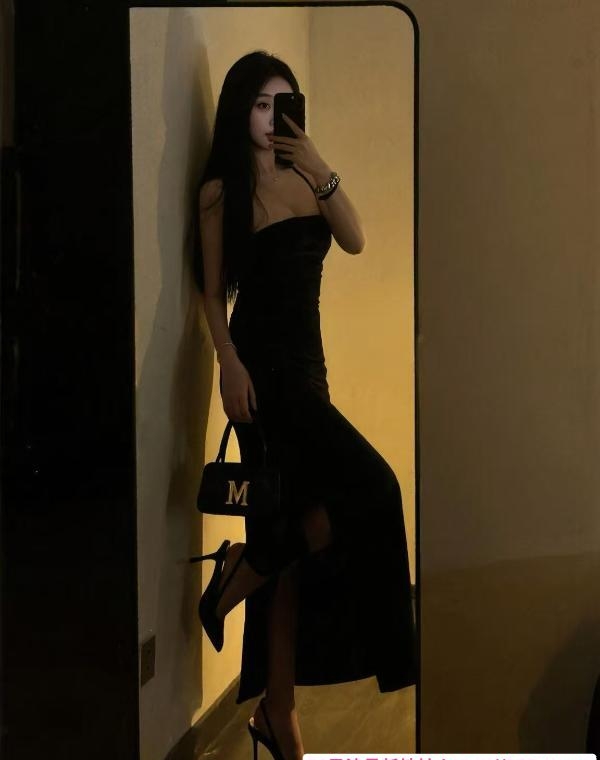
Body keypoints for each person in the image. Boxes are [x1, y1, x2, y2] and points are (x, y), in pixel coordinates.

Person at [189, 50, 417, 760]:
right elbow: (212, 292)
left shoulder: (308, 178)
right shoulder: (222, 192)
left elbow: (355, 239)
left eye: (283, 104)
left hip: (310, 374)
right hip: (262, 377)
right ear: (240, 111)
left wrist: (320, 166)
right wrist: (227, 363)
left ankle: (273, 701)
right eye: (261, 104)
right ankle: (245, 587)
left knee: (297, 541)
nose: (271, 118)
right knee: (376, 487)